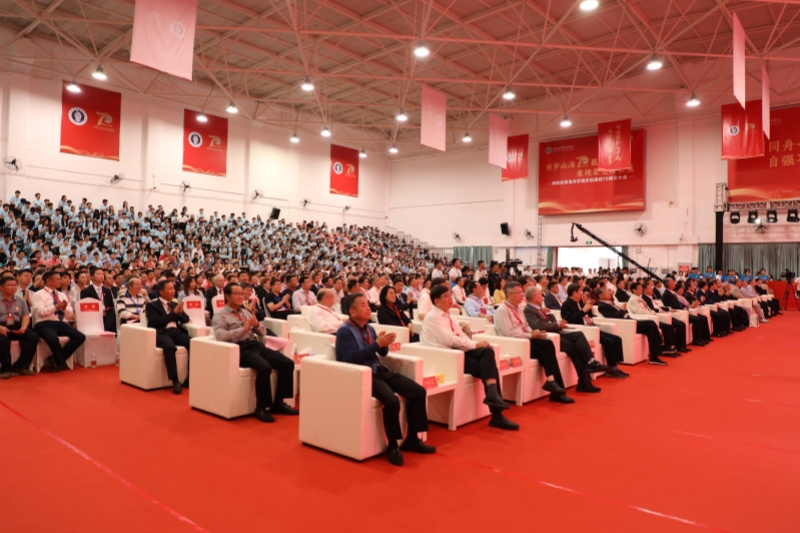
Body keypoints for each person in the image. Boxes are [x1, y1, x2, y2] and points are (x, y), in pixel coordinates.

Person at [336, 293, 435, 466]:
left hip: (379, 370)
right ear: (352, 311)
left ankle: (413, 439)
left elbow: (382, 353)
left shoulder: (369, 328)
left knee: (418, 391)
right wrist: (376, 344)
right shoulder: (345, 331)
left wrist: (383, 345)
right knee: (392, 401)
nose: (368, 308)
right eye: (363, 305)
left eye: (368, 304)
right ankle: (393, 444)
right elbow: (351, 358)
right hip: (364, 374)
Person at [422, 284, 519, 430]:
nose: (451, 298)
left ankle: (493, 397)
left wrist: (475, 344)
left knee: (487, 352)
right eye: (447, 296)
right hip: (448, 357)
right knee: (490, 369)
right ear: (437, 301)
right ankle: (496, 414)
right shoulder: (432, 318)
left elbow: (460, 336)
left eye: (450, 295)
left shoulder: (450, 315)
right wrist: (475, 345)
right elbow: (449, 340)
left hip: (459, 351)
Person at [212, 282, 298, 423]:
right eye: (237, 294)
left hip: (256, 345)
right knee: (264, 367)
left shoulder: (245, 312)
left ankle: (279, 402)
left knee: (287, 363)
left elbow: (262, 333)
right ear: (227, 296)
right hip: (239, 348)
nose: (241, 297)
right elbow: (220, 336)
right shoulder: (220, 315)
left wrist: (256, 325)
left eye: (242, 294)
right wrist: (242, 329)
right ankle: (261, 407)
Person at [523, 285, 617, 388]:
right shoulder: (529, 310)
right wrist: (557, 324)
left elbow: (552, 320)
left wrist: (550, 315)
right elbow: (537, 326)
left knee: (579, 334)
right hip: (550, 336)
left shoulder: (540, 309)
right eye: (540, 295)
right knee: (576, 349)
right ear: (534, 297)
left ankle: (591, 362)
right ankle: (584, 382)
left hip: (557, 332)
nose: (542, 297)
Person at [493, 282, 573, 403]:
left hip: (525, 340)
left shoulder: (518, 309)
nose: (522, 295)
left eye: (522, 293)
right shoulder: (502, 310)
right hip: (514, 344)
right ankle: (554, 387)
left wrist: (534, 332)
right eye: (519, 293)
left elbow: (526, 325)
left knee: (547, 345)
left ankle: (553, 383)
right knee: (546, 347)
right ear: (509, 295)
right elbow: (509, 333)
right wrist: (530, 335)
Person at [560, 283, 624, 380]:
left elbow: (588, 316)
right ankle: (611, 369)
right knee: (609, 342)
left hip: (591, 326)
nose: (582, 293)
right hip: (584, 330)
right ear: (574, 293)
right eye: (580, 291)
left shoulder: (580, 302)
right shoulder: (566, 304)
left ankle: (616, 366)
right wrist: (583, 310)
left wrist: (588, 305)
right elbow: (570, 320)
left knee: (617, 339)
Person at [595, 286, 671, 366]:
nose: (609, 293)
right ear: (600, 295)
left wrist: (622, 311)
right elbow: (613, 316)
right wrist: (622, 311)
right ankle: (662, 344)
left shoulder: (611, 303)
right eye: (606, 292)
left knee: (651, 330)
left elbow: (621, 312)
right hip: (626, 325)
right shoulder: (602, 306)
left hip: (629, 320)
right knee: (651, 323)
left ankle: (654, 357)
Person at [31, 271, 86, 372]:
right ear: (49, 281)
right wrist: (56, 306)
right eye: (58, 279)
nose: (60, 281)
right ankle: (60, 362)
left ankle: (57, 359)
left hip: (60, 323)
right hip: (44, 323)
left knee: (80, 336)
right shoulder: (38, 294)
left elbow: (70, 311)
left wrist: (64, 308)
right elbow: (41, 312)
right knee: (52, 338)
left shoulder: (61, 294)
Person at [145, 280, 191, 394]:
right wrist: (174, 313)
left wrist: (180, 312)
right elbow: (156, 322)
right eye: (170, 289)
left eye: (173, 289)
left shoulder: (174, 304)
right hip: (162, 333)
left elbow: (185, 320)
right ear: (161, 291)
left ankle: (189, 377)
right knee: (169, 347)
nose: (173, 291)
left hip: (176, 332)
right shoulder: (152, 305)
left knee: (194, 343)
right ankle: (175, 380)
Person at [627, 281, 690, 354]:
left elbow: (648, 309)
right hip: (645, 318)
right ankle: (665, 346)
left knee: (671, 326)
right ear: (633, 290)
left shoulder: (639, 298)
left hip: (652, 317)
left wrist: (654, 313)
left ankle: (670, 347)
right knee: (668, 327)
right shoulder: (633, 299)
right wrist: (653, 314)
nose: (641, 289)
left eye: (641, 288)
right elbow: (641, 312)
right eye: (639, 288)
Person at [0, 275, 38, 378]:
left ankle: (21, 365)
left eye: (14, 285)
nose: (13, 287)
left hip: (16, 325)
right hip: (1, 326)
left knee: (33, 336)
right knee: (2, 341)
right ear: (1, 287)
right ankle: (5, 369)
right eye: (9, 285)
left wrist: (24, 327)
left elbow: (25, 316)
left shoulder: (20, 300)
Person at [80, 267, 116, 333]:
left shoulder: (107, 290)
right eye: (98, 274)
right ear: (92, 277)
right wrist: (99, 313)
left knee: (113, 312)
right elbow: (85, 308)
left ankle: (110, 333)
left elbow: (110, 305)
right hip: (93, 315)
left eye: (102, 274)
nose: (101, 276)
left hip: (107, 315)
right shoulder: (86, 291)